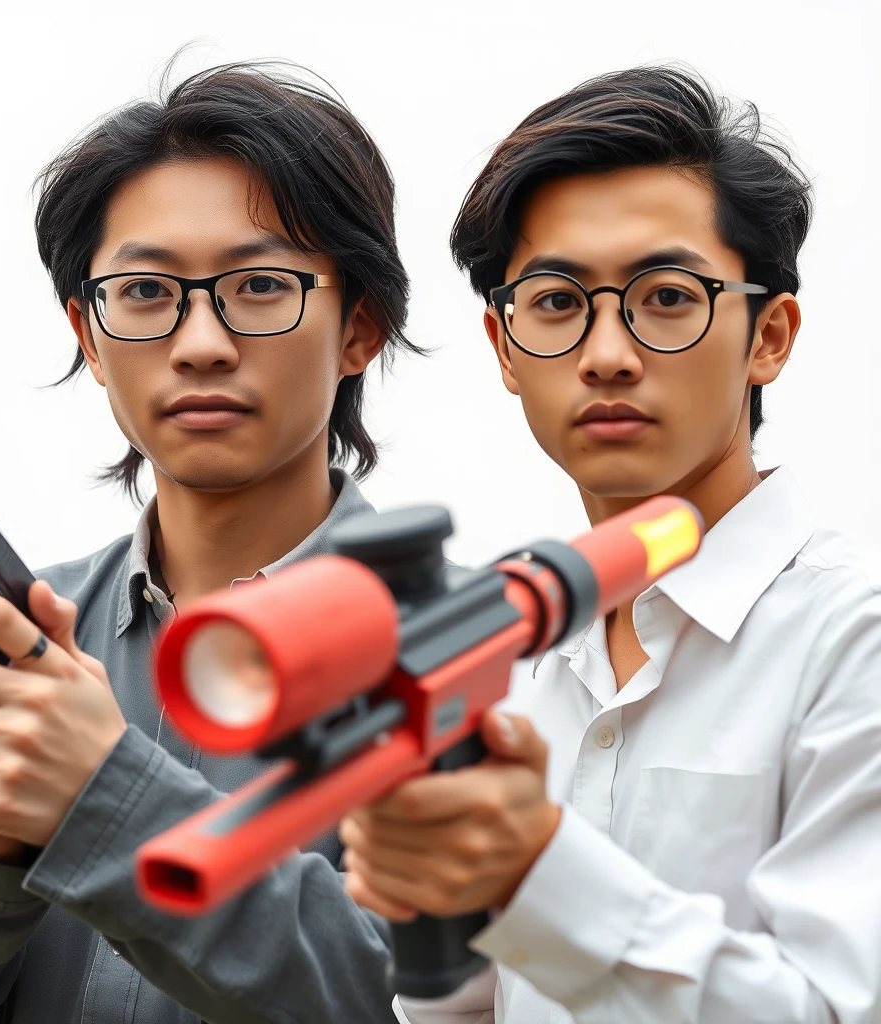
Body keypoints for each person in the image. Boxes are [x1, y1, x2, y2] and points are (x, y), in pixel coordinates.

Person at [0, 61, 417, 1023]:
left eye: (259, 285)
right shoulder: (6, 644)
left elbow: (403, 997)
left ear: (359, 327)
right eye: (147, 291)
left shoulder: (463, 647)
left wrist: (100, 795)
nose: (200, 341)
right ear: (88, 332)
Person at [341, 67, 881, 1023]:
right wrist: (437, 919)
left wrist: (533, 872)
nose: (607, 352)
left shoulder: (855, 637)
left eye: (666, 296)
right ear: (505, 349)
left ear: (770, 336)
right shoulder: (510, 655)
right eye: (555, 302)